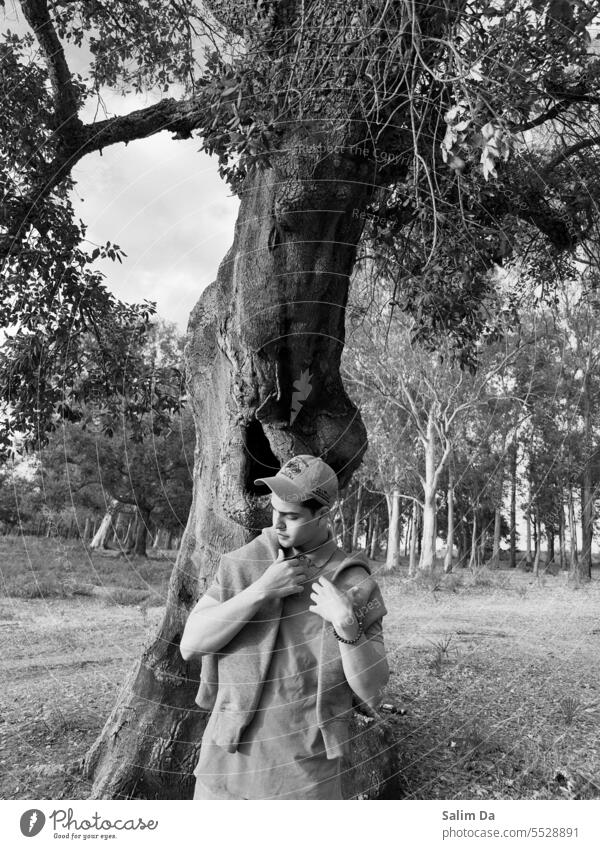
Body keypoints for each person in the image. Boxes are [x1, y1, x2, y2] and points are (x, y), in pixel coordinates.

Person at [180, 454, 389, 800]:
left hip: (303, 785)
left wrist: (347, 626)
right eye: (275, 510)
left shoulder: (352, 582)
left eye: (291, 516)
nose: (277, 523)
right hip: (222, 776)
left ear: (323, 516)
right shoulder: (247, 562)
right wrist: (261, 590)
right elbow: (191, 645)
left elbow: (374, 690)